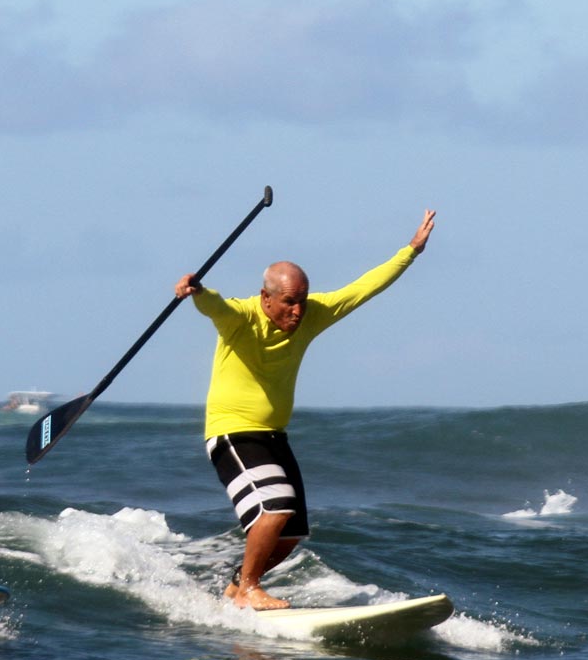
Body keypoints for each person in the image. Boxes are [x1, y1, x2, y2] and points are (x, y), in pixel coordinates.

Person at [175, 209, 437, 609]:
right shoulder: (242, 319)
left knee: (292, 531)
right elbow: (217, 308)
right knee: (275, 508)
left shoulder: (311, 316)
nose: (297, 311)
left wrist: (411, 251)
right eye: (288, 303)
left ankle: (235, 589)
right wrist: (198, 292)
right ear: (266, 298)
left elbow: (363, 288)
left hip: (273, 436)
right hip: (232, 432)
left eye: (301, 302)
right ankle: (248, 590)